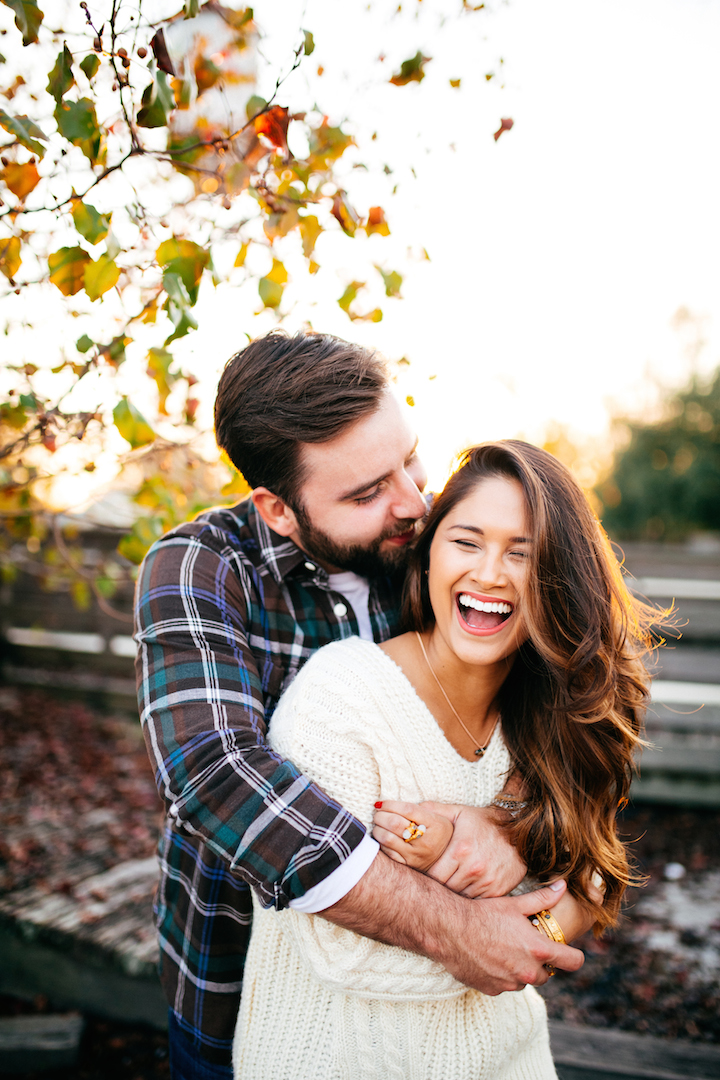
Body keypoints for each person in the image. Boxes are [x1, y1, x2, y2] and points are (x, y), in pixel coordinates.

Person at [135, 333, 583, 1079]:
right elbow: (216, 776)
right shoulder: (201, 569)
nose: (413, 501)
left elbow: (549, 696)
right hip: (243, 985)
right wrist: (455, 929)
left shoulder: (440, 544)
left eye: (409, 458)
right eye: (367, 492)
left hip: (439, 1023)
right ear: (279, 509)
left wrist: (512, 816)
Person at [232, 440, 657, 1080]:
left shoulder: (551, 713)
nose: (490, 573)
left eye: (524, 553)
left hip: (507, 1061)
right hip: (332, 1059)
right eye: (466, 541)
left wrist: (536, 907)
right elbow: (337, 947)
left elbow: (594, 872)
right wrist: (533, 921)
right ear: (427, 552)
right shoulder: (340, 699)